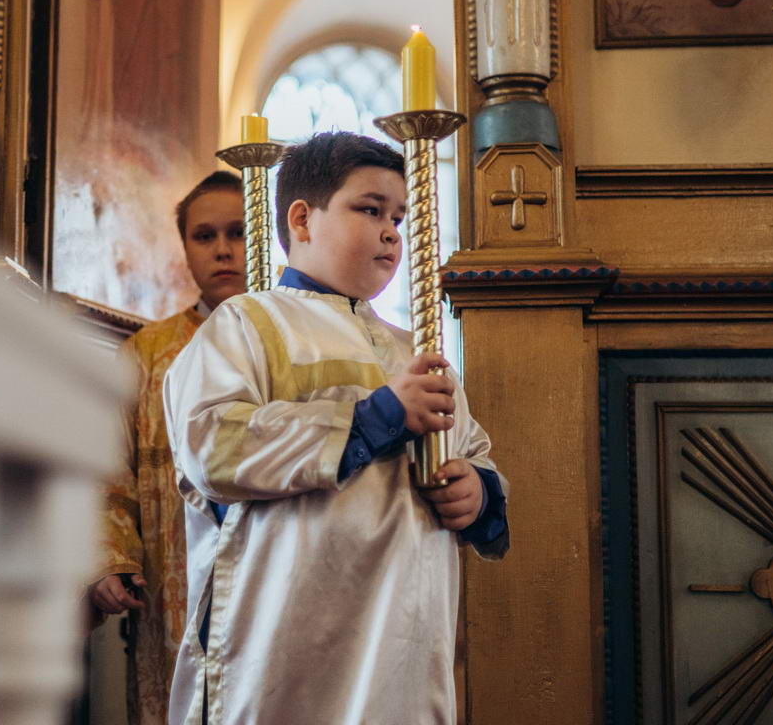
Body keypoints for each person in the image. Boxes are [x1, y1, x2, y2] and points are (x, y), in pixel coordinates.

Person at [162, 132, 510, 725]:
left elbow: (473, 450)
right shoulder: (247, 324)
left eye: (398, 217)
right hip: (288, 645)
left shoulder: (414, 350)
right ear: (302, 219)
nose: (391, 233)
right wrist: (377, 418)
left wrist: (477, 491)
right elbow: (213, 446)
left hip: (402, 644)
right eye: (370, 210)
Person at [89, 170, 246, 725]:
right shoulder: (145, 353)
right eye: (205, 236)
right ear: (184, 247)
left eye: (237, 232)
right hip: (171, 589)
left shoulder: (291, 341)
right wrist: (111, 560)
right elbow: (110, 472)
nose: (222, 249)